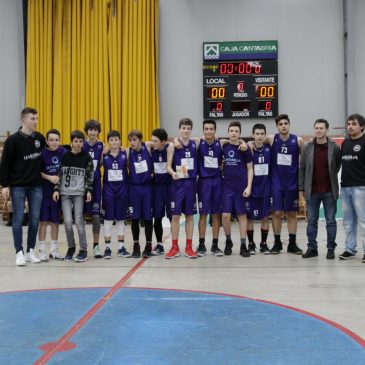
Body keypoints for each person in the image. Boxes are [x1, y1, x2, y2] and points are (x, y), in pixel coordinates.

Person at [0, 107, 45, 266]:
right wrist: (5, 185)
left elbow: (51, 153)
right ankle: (19, 252)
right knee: (18, 219)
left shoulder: (39, 138)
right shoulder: (12, 140)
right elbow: (4, 163)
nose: (36, 122)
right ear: (23, 120)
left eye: (36, 118)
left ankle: (30, 250)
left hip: (36, 186)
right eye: (33, 119)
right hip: (18, 186)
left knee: (34, 219)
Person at [299, 119, 341, 259]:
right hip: (312, 191)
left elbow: (337, 165)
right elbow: (303, 168)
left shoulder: (334, 147)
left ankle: (330, 249)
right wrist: (302, 188)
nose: (318, 130)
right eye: (316, 128)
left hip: (329, 190)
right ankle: (312, 248)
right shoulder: (307, 146)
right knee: (311, 221)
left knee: (330, 221)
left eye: (321, 128)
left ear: (327, 130)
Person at [53, 130, 93, 263]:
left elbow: (89, 177)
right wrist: (56, 189)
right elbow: (60, 174)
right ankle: (71, 247)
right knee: (68, 222)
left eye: (81, 141)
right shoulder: (65, 156)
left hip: (79, 194)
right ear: (71, 142)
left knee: (79, 221)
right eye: (75, 141)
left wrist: (88, 191)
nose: (78, 144)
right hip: (65, 193)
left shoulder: (87, 158)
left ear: (83, 142)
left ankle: (83, 249)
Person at [266, 114, 304, 254]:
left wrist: (301, 186)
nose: (283, 126)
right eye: (280, 124)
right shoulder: (271, 139)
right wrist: (248, 143)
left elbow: (304, 163)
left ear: (289, 124)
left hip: (292, 184)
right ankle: (277, 243)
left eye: (285, 123)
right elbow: (255, 142)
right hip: (276, 183)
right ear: (277, 126)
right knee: (276, 213)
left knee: (291, 214)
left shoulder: (298, 141)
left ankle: (292, 244)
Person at [166, 118, 198, 259]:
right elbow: (168, 166)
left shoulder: (195, 144)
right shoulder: (173, 146)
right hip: (177, 185)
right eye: (183, 128)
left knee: (190, 216)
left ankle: (189, 247)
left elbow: (212, 139)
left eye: (188, 128)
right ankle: (174, 247)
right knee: (175, 216)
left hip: (190, 184)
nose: (186, 130)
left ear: (191, 130)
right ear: (179, 129)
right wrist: (173, 173)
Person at [222, 121, 253, 257]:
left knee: (242, 216)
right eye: (231, 131)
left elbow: (250, 168)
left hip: (241, 187)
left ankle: (243, 245)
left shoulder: (244, 149)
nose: (234, 133)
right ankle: (228, 241)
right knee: (225, 215)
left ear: (239, 133)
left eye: (236, 131)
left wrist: (249, 186)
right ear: (228, 133)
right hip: (227, 187)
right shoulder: (223, 146)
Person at [338, 114, 365, 263]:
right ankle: (350, 249)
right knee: (348, 222)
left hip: (361, 187)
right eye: (348, 124)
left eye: (353, 124)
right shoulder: (345, 143)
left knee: (363, 221)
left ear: (361, 126)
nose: (350, 126)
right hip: (346, 187)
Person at [196, 120, 224, 257]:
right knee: (203, 214)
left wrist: (243, 143)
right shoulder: (198, 142)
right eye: (206, 129)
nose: (208, 131)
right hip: (203, 182)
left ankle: (215, 244)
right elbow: (181, 139)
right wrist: (176, 140)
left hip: (217, 181)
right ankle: (201, 244)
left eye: (211, 129)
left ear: (215, 130)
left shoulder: (221, 143)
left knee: (216, 214)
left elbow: (238, 141)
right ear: (203, 130)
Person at [38, 129, 67, 261]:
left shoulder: (63, 152)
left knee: (55, 221)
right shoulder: (42, 153)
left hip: (58, 192)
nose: (54, 142)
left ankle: (54, 250)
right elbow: (37, 172)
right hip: (45, 191)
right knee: (44, 221)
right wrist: (50, 178)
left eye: (56, 140)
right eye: (51, 140)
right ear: (47, 141)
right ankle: (42, 250)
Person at [102, 130, 130, 258]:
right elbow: (96, 167)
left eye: (116, 140)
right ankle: (107, 248)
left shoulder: (125, 153)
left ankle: (121, 247)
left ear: (120, 141)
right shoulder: (104, 155)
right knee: (108, 220)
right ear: (108, 141)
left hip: (122, 190)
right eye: (111, 140)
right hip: (108, 191)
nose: (114, 142)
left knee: (120, 219)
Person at [128, 129, 154, 258]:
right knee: (135, 218)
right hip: (134, 188)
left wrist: (176, 140)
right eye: (130, 140)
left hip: (147, 188)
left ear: (140, 140)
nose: (132, 142)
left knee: (148, 217)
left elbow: (165, 143)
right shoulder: (127, 152)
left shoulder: (148, 146)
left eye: (135, 140)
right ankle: (136, 246)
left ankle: (148, 245)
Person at [247, 124, 271, 255]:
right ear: (253, 135)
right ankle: (251, 244)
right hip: (251, 189)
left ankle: (264, 244)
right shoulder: (248, 149)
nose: (260, 136)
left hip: (266, 189)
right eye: (257, 133)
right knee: (249, 217)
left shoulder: (269, 149)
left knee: (265, 217)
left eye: (262, 133)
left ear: (265, 135)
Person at [82, 120, 104, 259]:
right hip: (81, 184)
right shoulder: (81, 144)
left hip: (96, 184)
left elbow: (101, 162)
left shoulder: (101, 145)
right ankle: (82, 247)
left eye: (95, 130)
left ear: (98, 132)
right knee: (80, 216)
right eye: (90, 129)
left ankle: (96, 245)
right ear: (87, 131)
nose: (92, 132)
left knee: (96, 216)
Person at [150, 128, 173, 255]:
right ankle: (159, 244)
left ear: (163, 142)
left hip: (169, 187)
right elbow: (146, 143)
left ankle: (175, 245)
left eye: (156, 141)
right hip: (157, 188)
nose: (153, 143)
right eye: (152, 140)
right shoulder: (151, 150)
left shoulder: (170, 148)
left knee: (171, 217)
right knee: (157, 218)